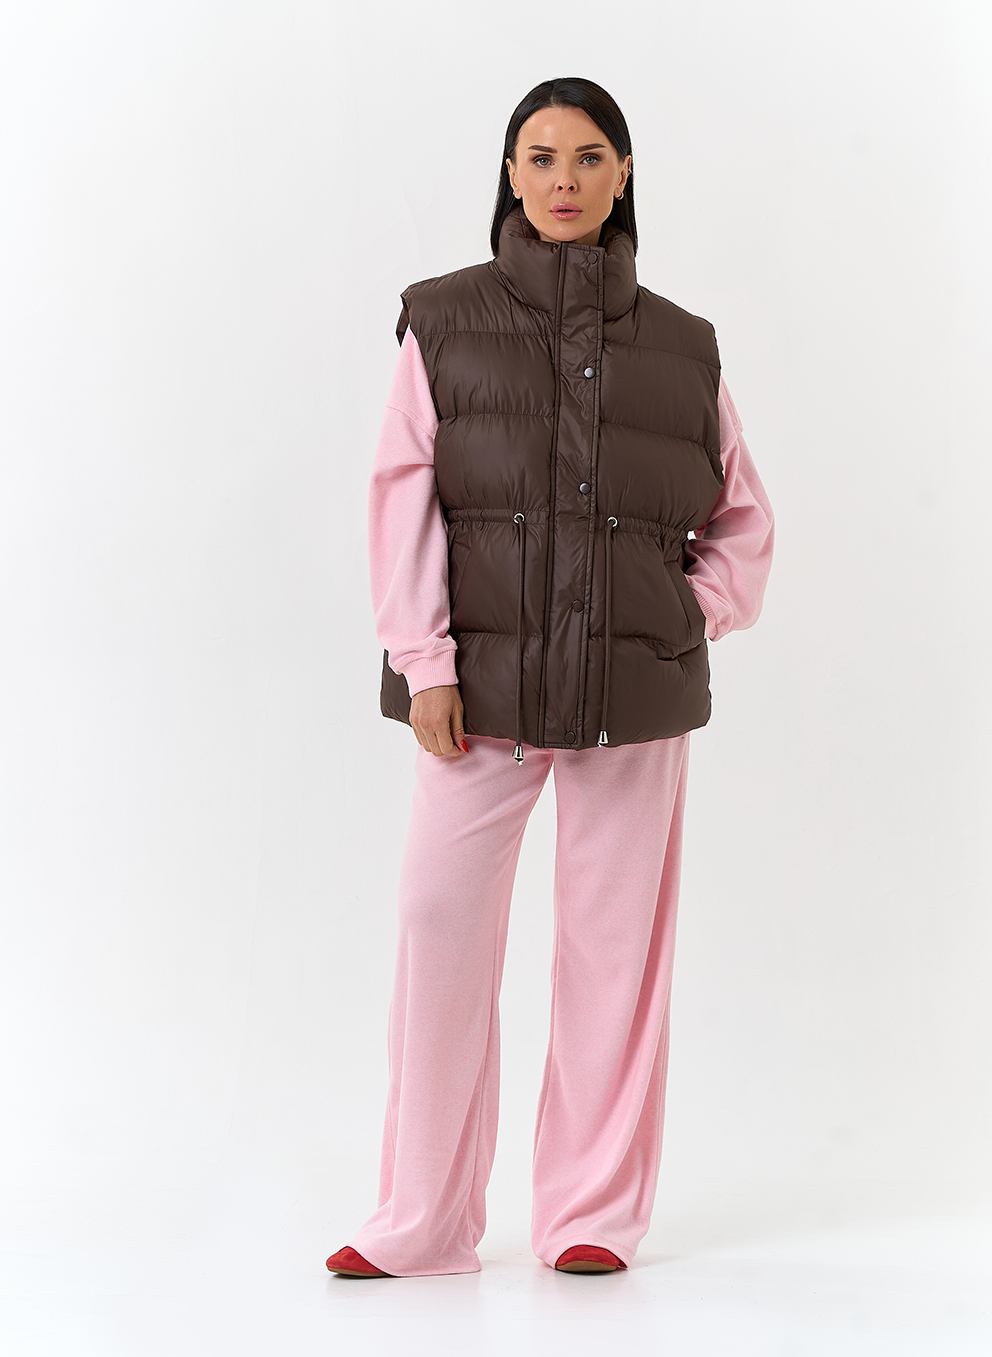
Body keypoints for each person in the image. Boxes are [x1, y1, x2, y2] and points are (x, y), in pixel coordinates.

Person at [326, 77, 774, 1279]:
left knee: (614, 949)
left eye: (586, 156)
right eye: (539, 156)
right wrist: (424, 661)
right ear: (510, 174)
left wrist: (682, 616)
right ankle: (422, 1219)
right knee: (437, 923)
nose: (563, 178)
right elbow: (398, 500)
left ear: (621, 176)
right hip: (473, 695)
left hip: (635, 696)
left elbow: (742, 519)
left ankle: (590, 1214)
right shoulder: (440, 320)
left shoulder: (683, 344)